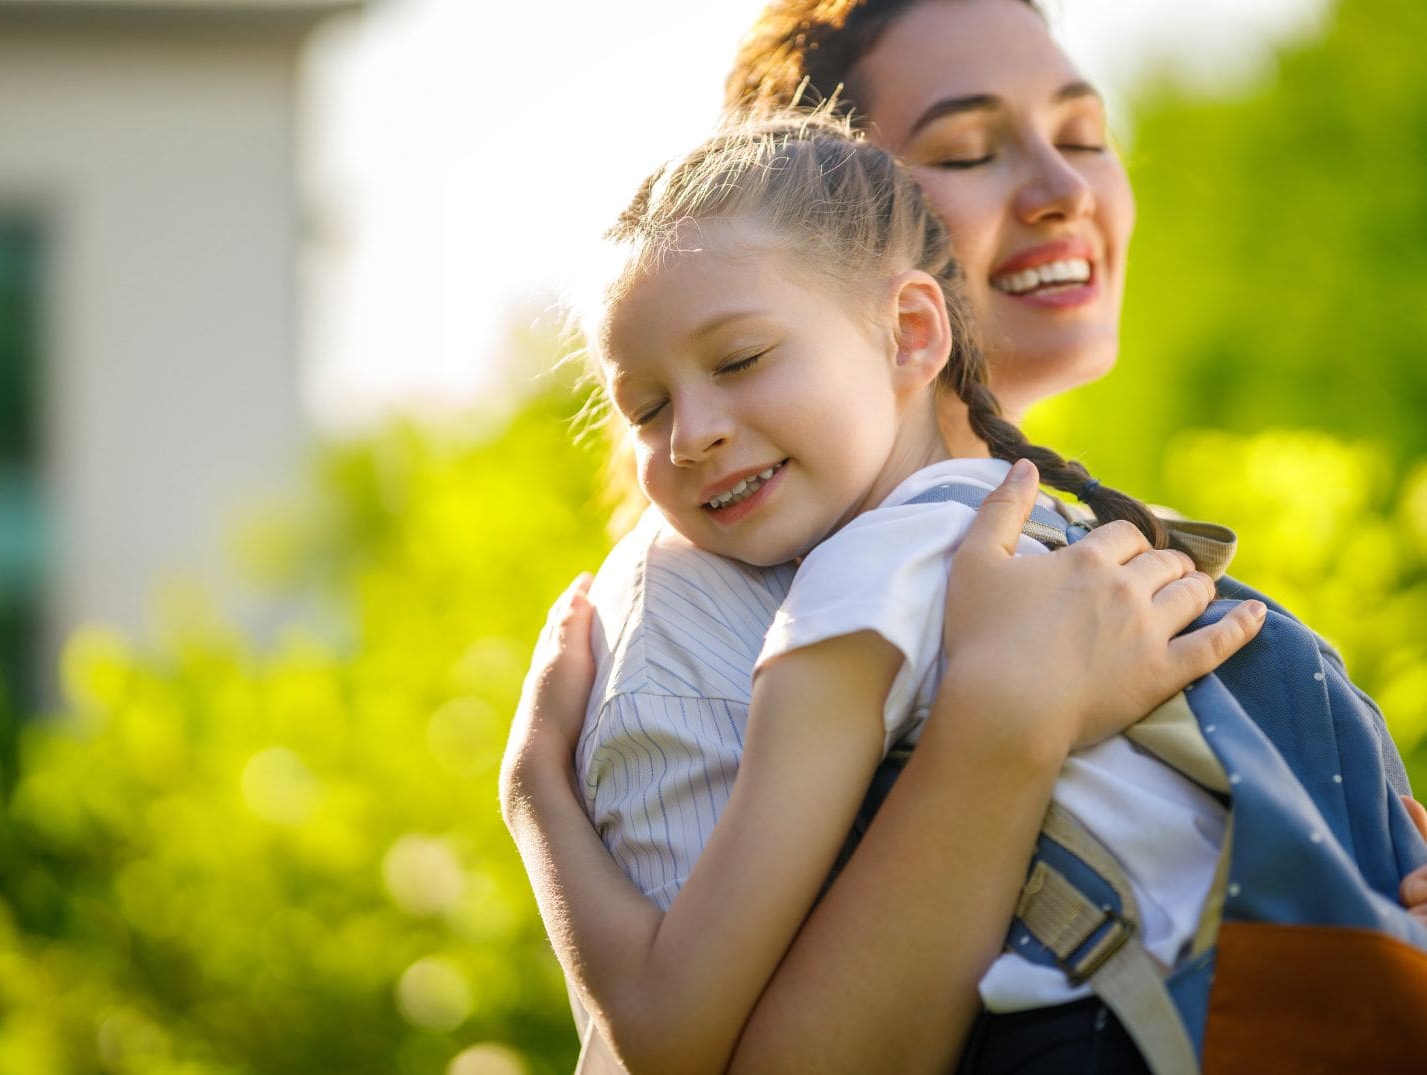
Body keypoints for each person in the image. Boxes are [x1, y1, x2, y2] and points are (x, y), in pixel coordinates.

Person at [499, 1, 1427, 1069]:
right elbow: (673, 1044)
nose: (1064, 189)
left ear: (910, 329)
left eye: (1083, 136)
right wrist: (1001, 724)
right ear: (835, 187)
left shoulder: (1083, 544)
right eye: (968, 150)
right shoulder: (721, 598)